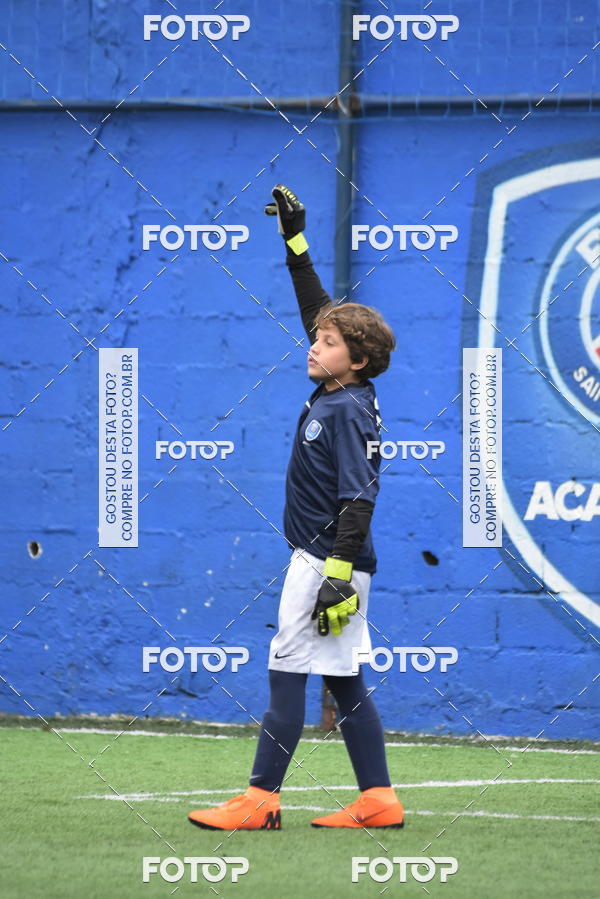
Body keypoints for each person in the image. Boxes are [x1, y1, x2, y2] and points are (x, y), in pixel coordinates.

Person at [188, 185, 402, 830]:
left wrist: (335, 572)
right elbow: (317, 309)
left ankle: (259, 801)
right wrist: (295, 240)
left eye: (330, 342)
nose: (314, 344)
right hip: (334, 560)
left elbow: (359, 494)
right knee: (341, 680)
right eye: (319, 336)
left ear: (358, 361)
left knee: (287, 668)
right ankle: (379, 801)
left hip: (324, 561)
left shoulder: (344, 410)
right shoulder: (343, 389)